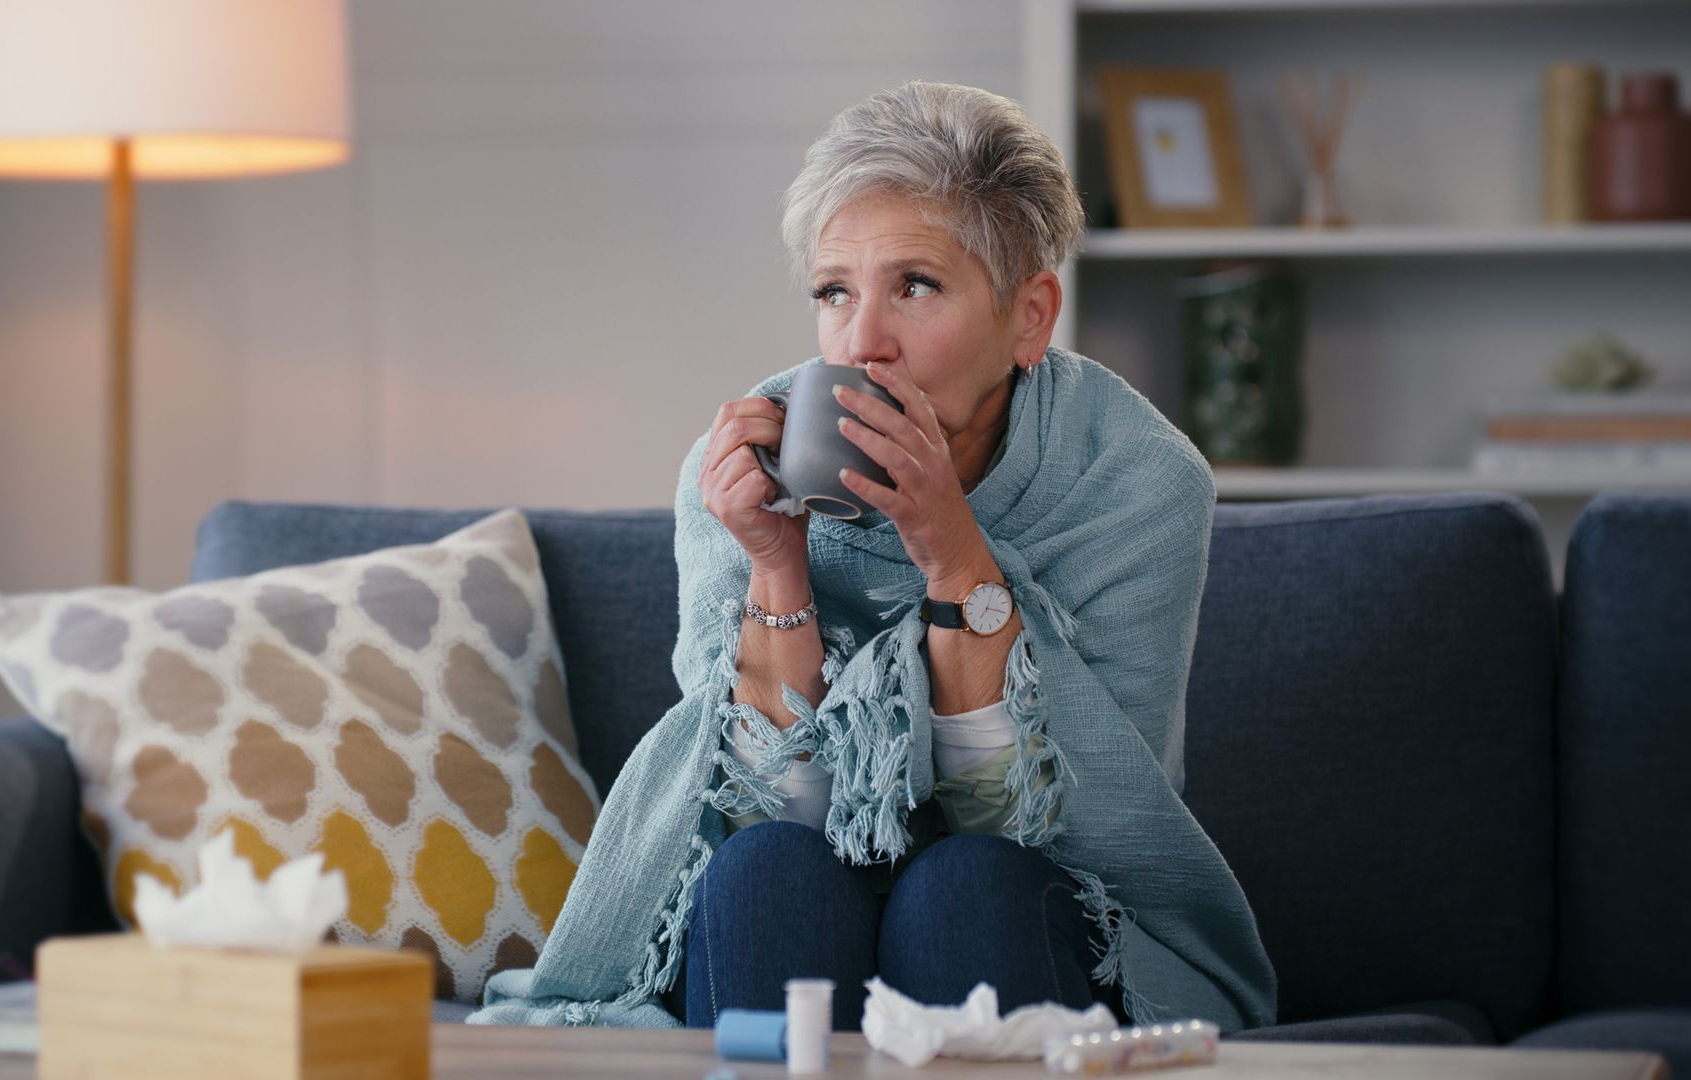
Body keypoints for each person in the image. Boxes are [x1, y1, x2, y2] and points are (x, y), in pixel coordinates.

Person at [468, 80, 1277, 1036]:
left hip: (1032, 905)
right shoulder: (739, 470)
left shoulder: (1136, 483)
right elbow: (768, 813)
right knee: (765, 870)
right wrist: (777, 566)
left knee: (964, 884)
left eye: (917, 286)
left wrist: (951, 555)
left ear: (1029, 316)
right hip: (794, 884)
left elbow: (1057, 832)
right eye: (833, 292)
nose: (862, 342)